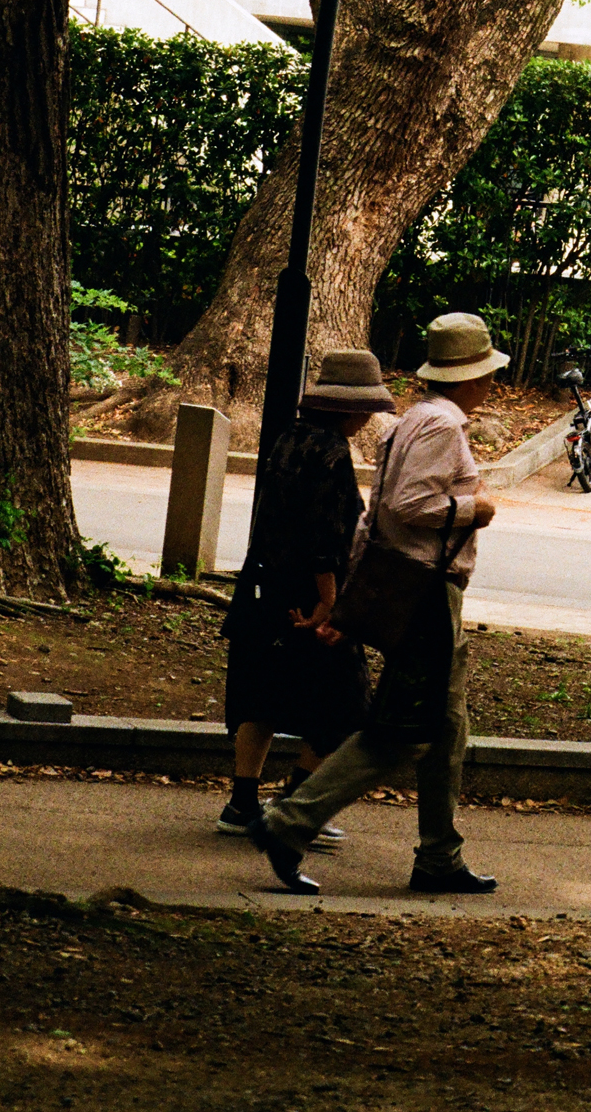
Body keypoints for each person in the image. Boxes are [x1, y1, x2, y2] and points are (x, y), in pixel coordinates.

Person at [250, 311, 506, 900]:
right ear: (469, 377)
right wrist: (475, 510)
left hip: (409, 588)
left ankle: (440, 855)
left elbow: (373, 517)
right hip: (425, 593)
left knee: (446, 728)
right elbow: (410, 507)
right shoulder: (442, 428)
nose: (490, 382)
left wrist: (349, 605)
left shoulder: (409, 423)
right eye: (487, 372)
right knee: (402, 730)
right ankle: (288, 822)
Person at [217, 347, 393, 838]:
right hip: (310, 597)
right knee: (345, 705)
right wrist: (330, 603)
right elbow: (324, 536)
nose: (366, 419)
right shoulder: (332, 454)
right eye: (365, 410)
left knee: (261, 697)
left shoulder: (286, 440)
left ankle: (242, 803)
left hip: (267, 587)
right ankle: (295, 806)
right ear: (347, 408)